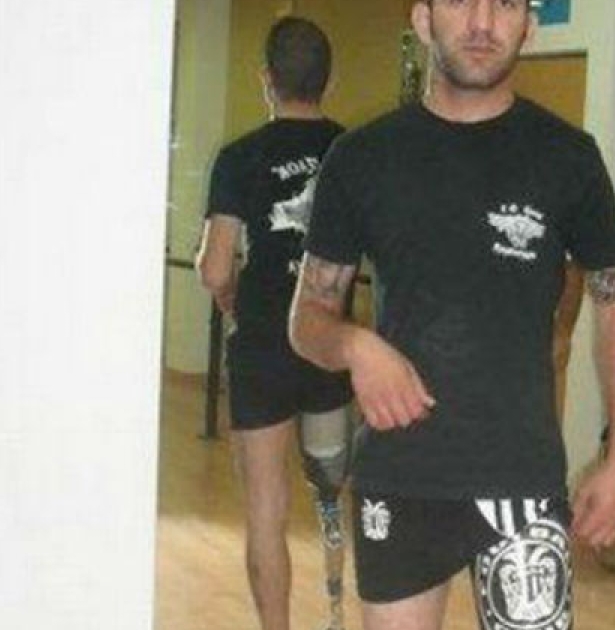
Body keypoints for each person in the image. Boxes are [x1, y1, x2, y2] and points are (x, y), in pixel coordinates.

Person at [289, 1, 615, 630]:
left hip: (520, 476)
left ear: (529, 27)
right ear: (423, 19)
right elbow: (307, 319)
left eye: (505, 3)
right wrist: (355, 346)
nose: (483, 22)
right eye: (461, 0)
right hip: (402, 474)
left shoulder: (567, 157)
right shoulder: (363, 157)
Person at [195, 17, 354, 630]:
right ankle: (336, 614)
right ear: (330, 81)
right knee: (331, 499)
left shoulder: (239, 157)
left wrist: (231, 290)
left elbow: (214, 269)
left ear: (266, 79)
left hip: (262, 347)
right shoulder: (355, 152)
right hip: (329, 344)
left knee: (266, 509)